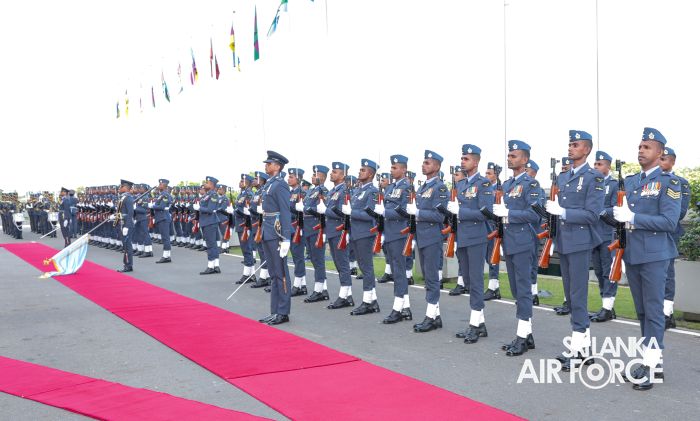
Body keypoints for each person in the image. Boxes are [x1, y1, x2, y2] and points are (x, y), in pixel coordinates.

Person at [614, 127, 681, 390]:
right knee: (642, 311)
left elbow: (669, 222)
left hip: (655, 255)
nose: (641, 150)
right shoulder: (631, 182)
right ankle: (650, 360)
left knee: (653, 311)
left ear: (660, 152)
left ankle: (652, 367)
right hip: (633, 253)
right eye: (640, 147)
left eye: (647, 147)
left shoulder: (669, 183)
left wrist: (633, 217)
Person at [546, 130, 604, 370]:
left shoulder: (594, 178)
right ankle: (583, 348)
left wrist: (563, 212)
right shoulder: (564, 177)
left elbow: (592, 215)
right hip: (564, 241)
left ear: (587, 149)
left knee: (577, 296)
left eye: (576, 144)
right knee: (571, 296)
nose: (570, 148)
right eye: (570, 144)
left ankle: (578, 352)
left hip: (580, 242)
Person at [492, 140, 541, 356]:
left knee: (522, 290)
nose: (510, 158)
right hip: (509, 241)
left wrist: (508, 214)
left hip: (523, 242)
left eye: (514, 156)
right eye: (509, 155)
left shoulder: (531, 184)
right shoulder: (507, 185)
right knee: (515, 289)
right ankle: (526, 334)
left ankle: (522, 337)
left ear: (525, 159)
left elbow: (535, 214)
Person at [449, 145, 494, 343]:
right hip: (462, 237)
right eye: (462, 158)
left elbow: (486, 212)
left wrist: (460, 212)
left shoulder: (483, 184)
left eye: (466, 159)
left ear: (475, 162)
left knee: (475, 281)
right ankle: (480, 323)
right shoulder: (461, 185)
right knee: (467, 280)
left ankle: (474, 325)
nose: (462, 162)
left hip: (476, 236)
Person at [408, 150, 449, 333]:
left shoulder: (440, 188)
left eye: (428, 163)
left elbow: (440, 216)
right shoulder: (422, 187)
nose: (423, 165)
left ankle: (430, 317)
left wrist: (418, 213)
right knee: (427, 276)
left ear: (437, 166)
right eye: (423, 162)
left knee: (431, 278)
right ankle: (436, 316)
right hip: (422, 236)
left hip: (432, 237)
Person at [257, 151, 293, 325]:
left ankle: (283, 312)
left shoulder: (280, 185)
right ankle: (275, 310)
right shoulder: (269, 184)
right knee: (273, 274)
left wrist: (286, 238)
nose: (266, 165)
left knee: (281, 274)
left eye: (269, 163)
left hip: (277, 234)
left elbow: (285, 211)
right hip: (268, 231)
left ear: (277, 166)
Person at [659, 146, 690, 329]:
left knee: (667, 274)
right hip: (650, 234)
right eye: (659, 158)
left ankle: (667, 314)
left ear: (673, 162)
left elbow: (680, 212)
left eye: (664, 159)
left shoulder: (680, 183)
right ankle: (658, 312)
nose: (660, 162)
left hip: (669, 234)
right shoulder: (649, 182)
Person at [379, 155, 413, 324]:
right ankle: (405, 307)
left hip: (400, 233)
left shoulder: (407, 187)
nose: (391, 170)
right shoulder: (391, 187)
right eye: (391, 167)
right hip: (390, 233)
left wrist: (385, 212)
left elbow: (405, 211)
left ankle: (398, 308)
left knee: (399, 272)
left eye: (395, 168)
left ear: (404, 169)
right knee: (396, 271)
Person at [347, 159, 381, 315]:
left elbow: (370, 214)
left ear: (371, 174)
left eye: (363, 170)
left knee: (367, 268)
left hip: (365, 234)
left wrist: (352, 212)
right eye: (360, 169)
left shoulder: (372, 191)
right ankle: (372, 301)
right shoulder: (357, 191)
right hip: (355, 233)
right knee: (363, 266)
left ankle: (368, 302)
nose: (360, 172)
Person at [590, 151, 619, 322]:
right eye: (595, 164)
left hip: (607, 233)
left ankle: (607, 307)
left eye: (599, 164)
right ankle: (606, 306)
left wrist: (600, 211)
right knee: (599, 271)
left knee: (608, 271)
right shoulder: (592, 183)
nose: (596, 167)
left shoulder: (614, 184)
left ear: (608, 167)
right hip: (593, 233)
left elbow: (616, 207)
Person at [324, 162, 354, 309]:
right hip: (331, 231)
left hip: (339, 231)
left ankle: (344, 296)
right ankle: (348, 295)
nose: (331, 174)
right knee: (338, 264)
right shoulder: (332, 191)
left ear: (342, 175)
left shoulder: (344, 191)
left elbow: (344, 213)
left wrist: (325, 210)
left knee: (342, 264)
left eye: (335, 172)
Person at [301, 165, 330, 302]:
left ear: (322, 177)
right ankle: (323, 288)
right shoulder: (311, 191)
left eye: (315, 174)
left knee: (318, 260)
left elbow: (323, 209)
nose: (312, 177)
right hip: (308, 228)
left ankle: (319, 290)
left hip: (316, 228)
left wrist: (309, 208)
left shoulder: (323, 190)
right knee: (313, 259)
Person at [448, 164, 469, 296]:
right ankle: (462, 282)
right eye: (454, 175)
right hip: (457, 226)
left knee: (466, 258)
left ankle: (464, 283)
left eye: (457, 175)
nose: (455, 177)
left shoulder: (464, 187)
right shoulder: (455, 189)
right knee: (460, 257)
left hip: (466, 227)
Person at [287, 168, 308, 296]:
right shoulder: (290, 193)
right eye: (289, 176)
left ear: (298, 179)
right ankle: (302, 284)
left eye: (291, 177)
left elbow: (304, 212)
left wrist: (297, 208)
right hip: (290, 227)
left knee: (298, 256)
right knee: (295, 256)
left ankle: (297, 284)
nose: (288, 179)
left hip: (298, 227)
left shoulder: (302, 193)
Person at [483, 162, 502, 300]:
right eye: (486, 173)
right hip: (484, 225)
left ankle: (493, 287)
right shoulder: (485, 188)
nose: (486, 176)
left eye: (489, 173)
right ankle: (495, 288)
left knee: (493, 257)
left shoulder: (500, 189)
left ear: (496, 175)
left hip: (494, 226)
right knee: (487, 257)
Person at [234, 174, 257, 284]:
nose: (240, 182)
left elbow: (249, 210)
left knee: (247, 249)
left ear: (248, 183)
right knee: (245, 250)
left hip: (245, 225)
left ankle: (247, 274)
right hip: (240, 224)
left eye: (243, 181)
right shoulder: (241, 194)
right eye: (240, 180)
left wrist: (240, 211)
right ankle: (251, 274)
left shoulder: (249, 194)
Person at [197, 176, 222, 275]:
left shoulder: (213, 195)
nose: (205, 184)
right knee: (213, 244)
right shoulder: (207, 195)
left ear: (212, 185)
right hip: (207, 222)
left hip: (210, 222)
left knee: (211, 245)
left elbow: (210, 210)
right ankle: (216, 266)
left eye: (207, 183)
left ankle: (211, 266)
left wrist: (199, 208)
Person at [150, 179, 173, 264]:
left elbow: (162, 206)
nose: (159, 185)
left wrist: (152, 206)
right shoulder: (161, 195)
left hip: (163, 218)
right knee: (164, 237)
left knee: (165, 238)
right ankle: (167, 256)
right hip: (161, 217)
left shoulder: (165, 195)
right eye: (159, 184)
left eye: (161, 184)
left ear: (165, 185)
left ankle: (166, 256)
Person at [116, 180, 135, 273]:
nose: (119, 188)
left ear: (126, 188)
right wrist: (115, 216)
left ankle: (128, 265)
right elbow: (121, 212)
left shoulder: (128, 198)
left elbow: (130, 213)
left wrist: (127, 226)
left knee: (127, 245)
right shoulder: (123, 197)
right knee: (125, 245)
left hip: (126, 224)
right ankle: (126, 264)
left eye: (121, 186)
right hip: (122, 223)